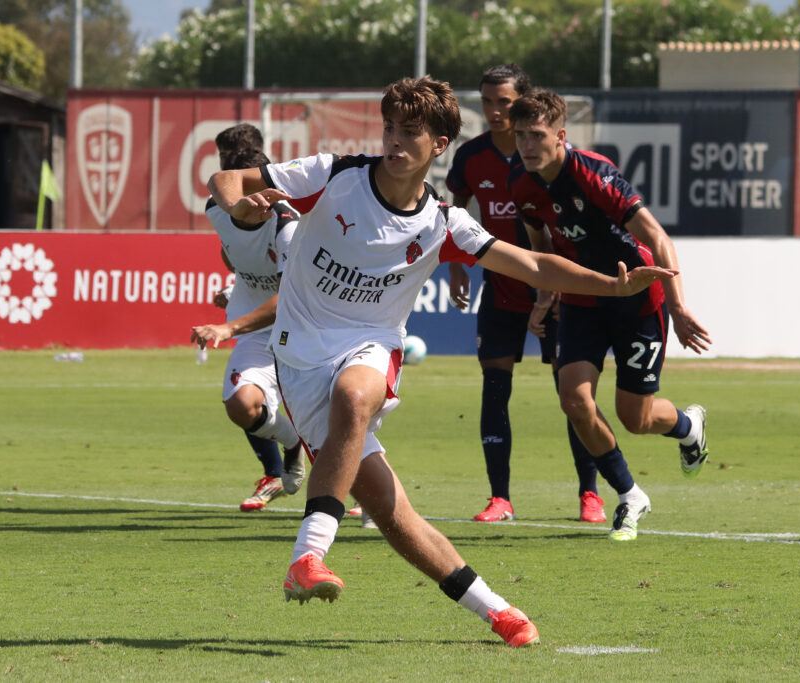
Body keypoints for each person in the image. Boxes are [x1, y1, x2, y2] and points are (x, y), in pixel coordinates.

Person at [207, 76, 676, 647]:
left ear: (439, 144)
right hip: (299, 359)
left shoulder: (443, 222)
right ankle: (499, 610)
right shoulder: (332, 175)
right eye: (389, 128)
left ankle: (307, 556)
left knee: (354, 394)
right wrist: (240, 209)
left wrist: (614, 286)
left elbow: (534, 265)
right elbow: (226, 179)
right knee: (393, 514)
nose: (394, 140)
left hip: (370, 346)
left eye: (411, 132)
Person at [507, 89, 712, 543]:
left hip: (638, 300)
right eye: (520, 135)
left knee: (635, 418)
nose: (527, 145)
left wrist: (678, 306)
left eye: (536, 135)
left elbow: (657, 238)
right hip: (582, 300)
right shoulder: (520, 181)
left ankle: (687, 426)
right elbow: (541, 247)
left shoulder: (595, 175)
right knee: (574, 400)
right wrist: (545, 297)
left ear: (560, 135)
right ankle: (630, 495)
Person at [445, 64, 605, 525]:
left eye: (505, 102)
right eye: (487, 101)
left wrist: (556, 288)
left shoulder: (545, 159)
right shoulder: (471, 156)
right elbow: (455, 209)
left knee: (574, 396)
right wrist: (455, 264)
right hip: (501, 290)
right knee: (495, 390)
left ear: (524, 103)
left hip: (557, 292)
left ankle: (590, 493)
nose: (495, 111)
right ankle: (500, 498)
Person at [190, 146, 305, 512]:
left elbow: (287, 299)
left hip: (305, 329)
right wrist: (234, 289)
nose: (259, 199)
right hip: (258, 329)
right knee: (241, 406)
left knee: (338, 413)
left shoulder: (288, 226)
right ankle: (291, 442)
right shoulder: (217, 211)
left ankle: (366, 497)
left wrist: (228, 328)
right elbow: (234, 255)